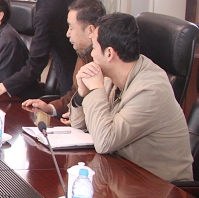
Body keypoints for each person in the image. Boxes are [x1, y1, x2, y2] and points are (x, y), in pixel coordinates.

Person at [69, 13, 193, 183]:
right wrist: (82, 94)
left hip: (163, 189)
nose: (92, 55)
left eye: (94, 48)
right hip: (125, 176)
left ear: (109, 53)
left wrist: (96, 89)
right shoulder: (112, 75)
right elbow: (78, 126)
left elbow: (104, 142)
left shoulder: (151, 90)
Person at [23, 0, 105, 122]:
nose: (67, 33)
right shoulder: (83, 54)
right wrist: (50, 108)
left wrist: (80, 121)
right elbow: (74, 94)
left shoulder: (106, 61)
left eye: (71, 28)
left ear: (90, 31)